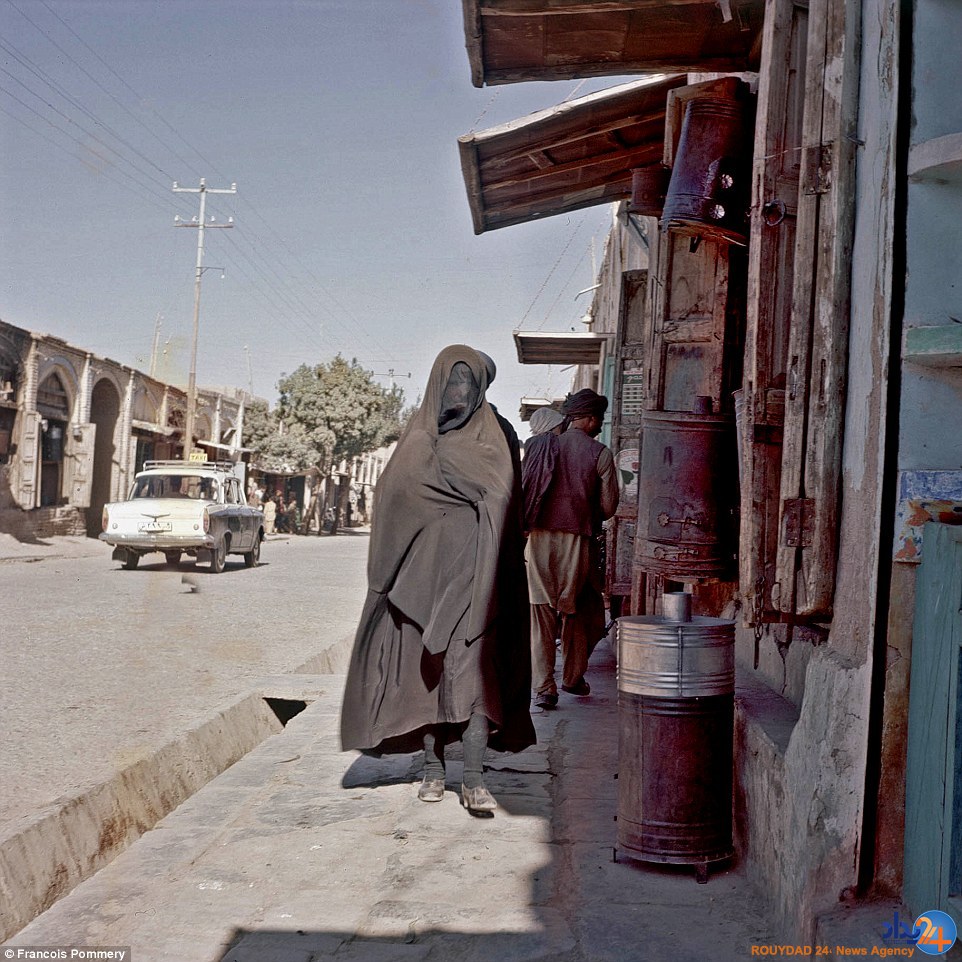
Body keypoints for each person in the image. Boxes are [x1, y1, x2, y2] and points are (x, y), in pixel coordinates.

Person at [340, 345, 535, 816]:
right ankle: (431, 768)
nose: (460, 393)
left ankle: (472, 778)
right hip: (419, 581)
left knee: (472, 678)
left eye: (469, 384)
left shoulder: (498, 434)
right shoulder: (418, 437)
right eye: (453, 381)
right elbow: (393, 500)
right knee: (424, 678)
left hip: (478, 575)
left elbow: (512, 503)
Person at [525, 388, 619, 710]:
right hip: (577, 541)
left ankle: (544, 688)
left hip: (537, 541)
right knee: (580, 611)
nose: (600, 425)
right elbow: (608, 508)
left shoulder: (541, 446)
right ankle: (572, 677)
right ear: (591, 419)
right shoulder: (600, 453)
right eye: (599, 420)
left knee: (541, 612)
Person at [521, 406, 564, 532]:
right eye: (559, 426)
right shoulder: (553, 444)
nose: (561, 430)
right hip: (548, 517)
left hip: (533, 518)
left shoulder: (530, 444)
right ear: (552, 426)